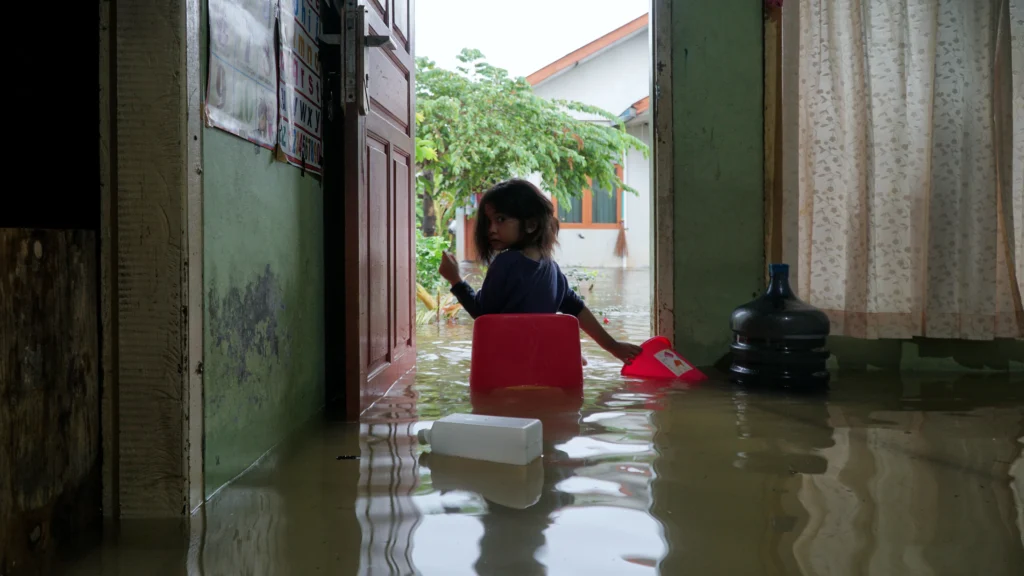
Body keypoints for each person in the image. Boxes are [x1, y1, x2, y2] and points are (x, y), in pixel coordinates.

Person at [438, 179, 643, 365]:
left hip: (508, 365)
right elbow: (577, 309)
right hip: (546, 361)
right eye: (489, 221)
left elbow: (483, 316)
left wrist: (455, 279)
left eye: (500, 219)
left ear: (531, 224)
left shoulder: (506, 263)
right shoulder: (551, 267)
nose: (491, 229)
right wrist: (613, 346)